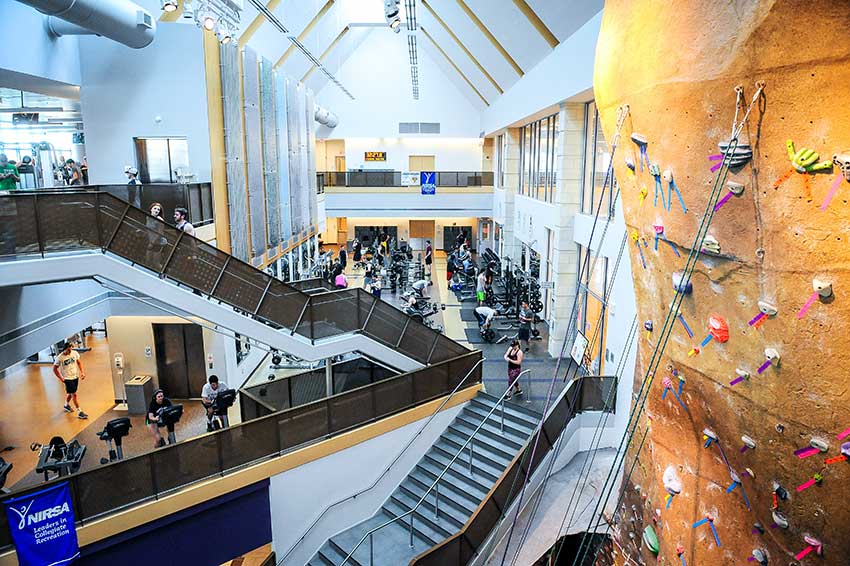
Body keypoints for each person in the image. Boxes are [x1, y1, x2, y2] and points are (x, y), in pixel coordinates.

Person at [52, 342, 88, 419]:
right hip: (67, 378)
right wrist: (61, 378)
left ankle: (66, 405)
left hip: (75, 376)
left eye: (71, 349)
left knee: (71, 393)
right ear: (64, 349)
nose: (70, 351)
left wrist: (82, 372)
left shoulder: (74, 353)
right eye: (68, 350)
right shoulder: (59, 358)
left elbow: (79, 362)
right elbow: (54, 369)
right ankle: (79, 412)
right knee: (74, 394)